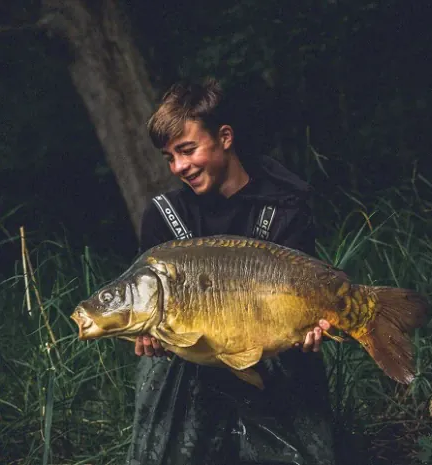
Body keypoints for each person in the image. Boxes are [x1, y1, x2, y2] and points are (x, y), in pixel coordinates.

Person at [126, 79, 335, 465]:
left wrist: (312, 328)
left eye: (187, 150)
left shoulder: (287, 205)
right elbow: (144, 303)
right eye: (169, 157)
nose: (179, 167)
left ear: (224, 137)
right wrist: (147, 333)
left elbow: (307, 293)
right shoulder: (162, 216)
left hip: (271, 353)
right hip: (190, 361)